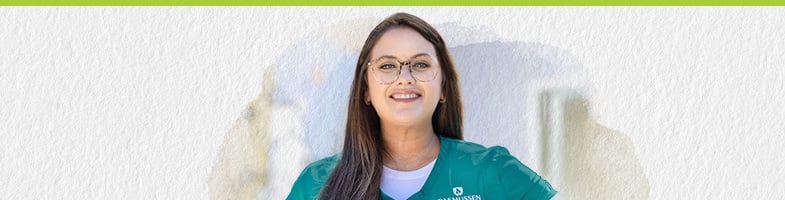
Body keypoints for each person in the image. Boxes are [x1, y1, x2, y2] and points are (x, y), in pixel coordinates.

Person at [287, 12, 557, 200]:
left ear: (443, 88)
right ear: (366, 90)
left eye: (421, 65)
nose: (405, 78)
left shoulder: (492, 170)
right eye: (388, 66)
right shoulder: (315, 184)